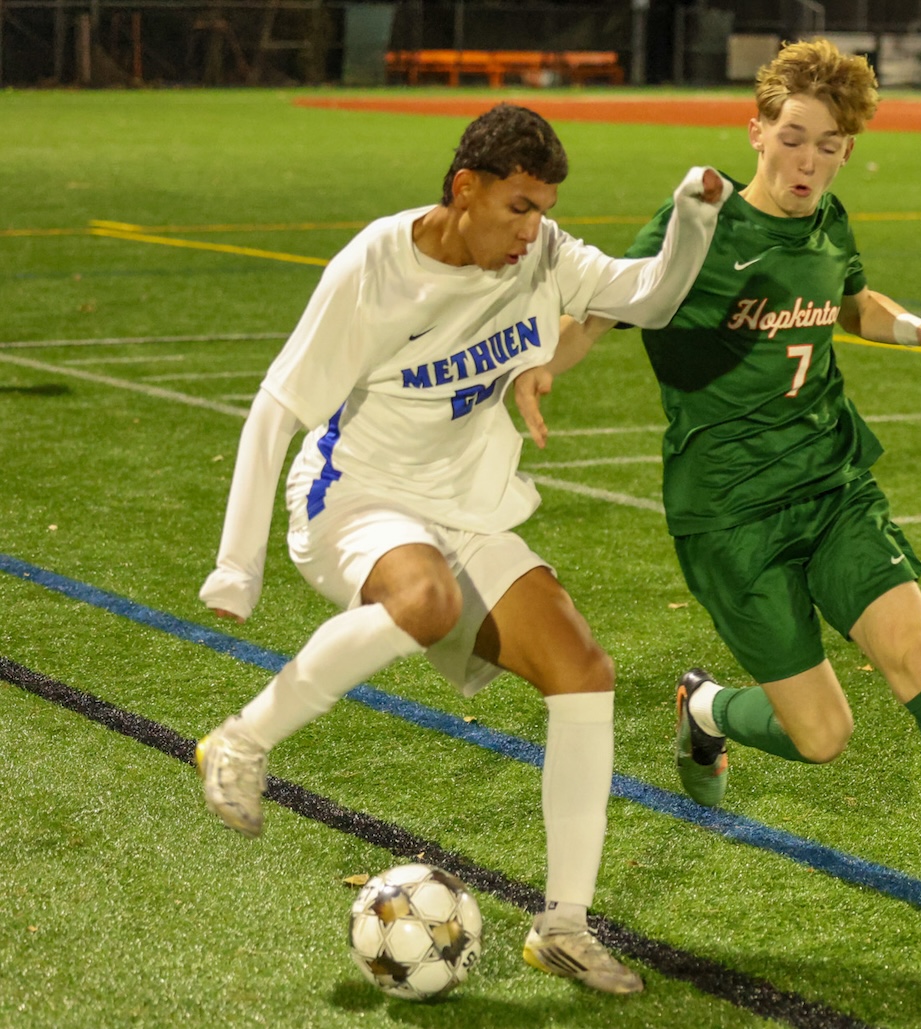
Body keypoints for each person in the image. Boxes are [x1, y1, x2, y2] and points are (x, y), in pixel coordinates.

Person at [517, 40, 921, 941]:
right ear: (756, 130)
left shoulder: (829, 221)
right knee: (823, 734)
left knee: (914, 648)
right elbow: (604, 306)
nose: (809, 161)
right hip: (729, 515)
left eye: (830, 145)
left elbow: (849, 300)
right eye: (794, 138)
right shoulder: (701, 217)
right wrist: (542, 367)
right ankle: (705, 707)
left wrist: (916, 329)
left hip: (830, 482)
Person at [194, 103, 730, 995]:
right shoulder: (376, 264)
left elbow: (654, 295)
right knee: (428, 599)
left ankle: (562, 924)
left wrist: (693, 215)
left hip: (464, 509)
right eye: (518, 206)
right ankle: (241, 742)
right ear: (464, 188)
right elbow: (278, 406)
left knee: (582, 669)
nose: (534, 229)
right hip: (354, 500)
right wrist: (236, 564)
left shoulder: (546, 252)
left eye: (544, 207)